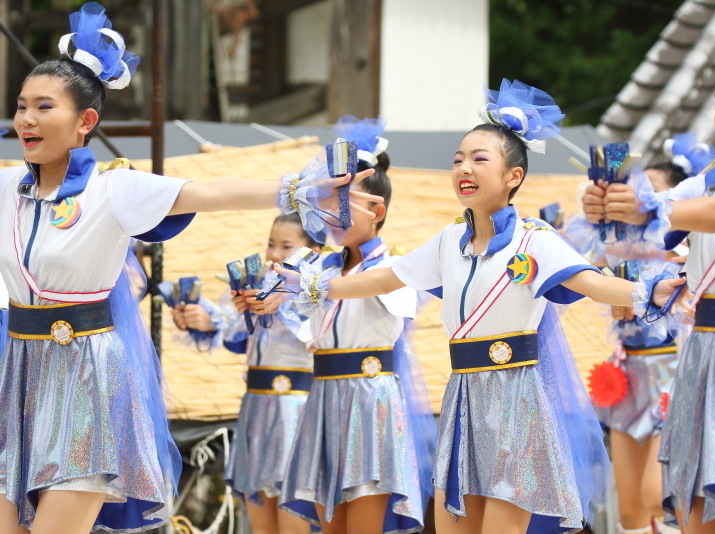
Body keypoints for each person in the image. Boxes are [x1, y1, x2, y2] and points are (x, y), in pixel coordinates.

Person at [0, 4, 378, 533]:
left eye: (44, 107)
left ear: (86, 122)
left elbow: (211, 191)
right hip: (19, 375)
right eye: (21, 107)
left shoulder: (116, 189)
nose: (26, 120)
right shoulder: (6, 187)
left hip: (86, 376)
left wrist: (299, 188)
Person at [273, 80, 683, 534]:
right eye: (458, 160)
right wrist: (317, 284)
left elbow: (590, 282)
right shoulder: (449, 240)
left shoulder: (535, 239)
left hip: (517, 400)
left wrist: (649, 292)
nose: (464, 167)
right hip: (463, 395)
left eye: (479, 158)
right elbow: (386, 276)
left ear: (514, 177)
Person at [581, 13, 715, 534]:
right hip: (702, 361)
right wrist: (607, 210)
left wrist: (645, 205)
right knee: (695, 522)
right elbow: (640, 240)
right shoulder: (707, 183)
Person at [275, 116, 436, 534]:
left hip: (370, 400)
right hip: (325, 397)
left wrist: (314, 284)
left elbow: (356, 290)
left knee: (363, 523)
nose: (331, 212)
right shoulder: (319, 266)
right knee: (331, 526)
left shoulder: (394, 267)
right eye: (328, 200)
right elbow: (285, 304)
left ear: (377, 211)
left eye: (344, 201)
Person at [585, 135, 709, 534]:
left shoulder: (684, 240)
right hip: (627, 375)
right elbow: (589, 267)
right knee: (631, 510)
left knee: (658, 495)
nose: (641, 198)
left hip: (670, 371)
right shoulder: (614, 241)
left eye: (653, 192)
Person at [171, 212, 318, 534]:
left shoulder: (317, 295)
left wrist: (277, 302)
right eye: (270, 244)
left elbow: (313, 335)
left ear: (312, 251)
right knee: (259, 513)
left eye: (286, 246)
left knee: (292, 503)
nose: (274, 254)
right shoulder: (258, 290)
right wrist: (203, 317)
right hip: (256, 407)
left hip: (295, 409)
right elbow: (233, 330)